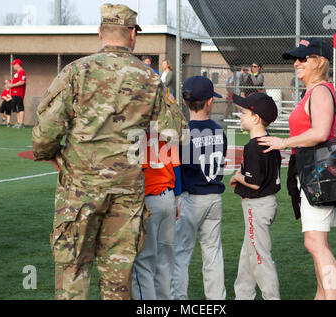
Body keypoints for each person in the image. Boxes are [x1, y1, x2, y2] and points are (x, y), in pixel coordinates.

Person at [32, 3, 186, 300]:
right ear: (132, 35)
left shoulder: (75, 72)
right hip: (127, 191)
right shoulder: (151, 78)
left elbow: (45, 132)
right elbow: (175, 132)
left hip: (79, 190)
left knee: (73, 272)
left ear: (101, 32)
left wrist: (52, 155)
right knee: (117, 281)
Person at [258, 38, 336, 300]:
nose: (297, 63)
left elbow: (320, 132)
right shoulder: (319, 91)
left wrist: (283, 142)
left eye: (303, 58)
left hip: (317, 172)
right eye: (295, 59)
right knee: (317, 242)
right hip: (315, 171)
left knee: (315, 243)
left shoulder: (319, 91)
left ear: (319, 62)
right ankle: (322, 296)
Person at [171, 76, 227, 300]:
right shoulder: (218, 130)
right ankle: (216, 300)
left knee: (181, 255)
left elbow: (177, 167)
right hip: (213, 197)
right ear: (210, 102)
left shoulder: (182, 133)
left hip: (189, 198)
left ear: (185, 103)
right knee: (212, 253)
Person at [229, 92, 281, 300]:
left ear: (256, 118)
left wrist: (238, 176)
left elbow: (255, 182)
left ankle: (271, 297)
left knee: (260, 258)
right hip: (266, 204)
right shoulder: (270, 141)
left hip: (257, 207)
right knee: (248, 255)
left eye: (243, 112)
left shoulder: (253, 146)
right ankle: (243, 296)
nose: (240, 116)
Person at [131, 128, 182, 300]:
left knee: (143, 264)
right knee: (165, 264)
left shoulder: (134, 130)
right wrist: (176, 198)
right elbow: (176, 166)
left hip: (148, 200)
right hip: (168, 196)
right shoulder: (167, 128)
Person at [9, 58, 26, 128]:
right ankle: (18, 122)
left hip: (18, 93)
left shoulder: (22, 72)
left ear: (18, 65)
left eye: (14, 65)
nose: (13, 66)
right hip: (14, 93)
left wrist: (11, 85)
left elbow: (22, 82)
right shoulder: (17, 73)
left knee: (20, 108)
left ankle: (21, 123)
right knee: (17, 108)